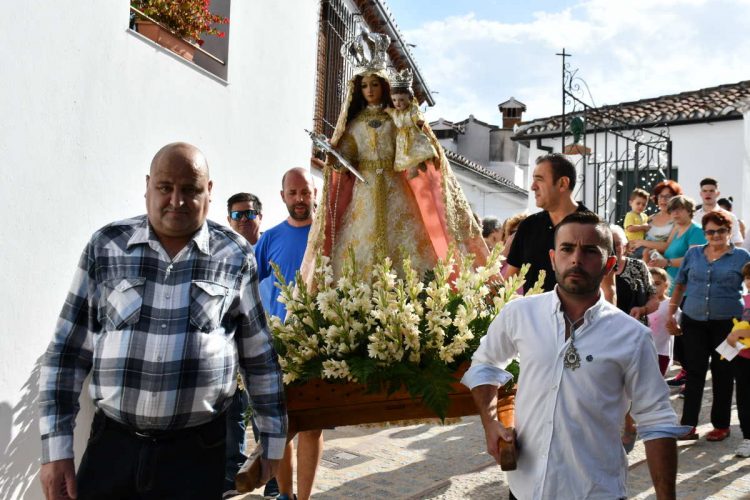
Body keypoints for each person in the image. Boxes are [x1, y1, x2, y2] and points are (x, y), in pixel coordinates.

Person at [38, 143, 286, 500]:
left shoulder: (234, 255)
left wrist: (272, 442)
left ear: (209, 192)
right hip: (112, 448)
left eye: (190, 189)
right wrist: (56, 450)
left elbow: (259, 357)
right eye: (165, 187)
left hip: (198, 454)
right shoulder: (107, 247)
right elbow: (66, 354)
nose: (176, 201)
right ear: (147, 186)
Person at [463, 211, 683, 500]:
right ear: (553, 258)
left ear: (610, 265)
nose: (576, 259)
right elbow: (485, 364)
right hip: (526, 488)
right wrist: (490, 422)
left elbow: (657, 421)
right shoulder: (520, 314)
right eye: (567, 249)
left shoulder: (631, 336)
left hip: (594, 491)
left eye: (590, 251)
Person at [300, 31, 487, 285]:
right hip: (363, 192)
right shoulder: (354, 125)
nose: (369, 91)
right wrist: (334, 156)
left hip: (396, 188)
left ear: (384, 86)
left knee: (405, 245)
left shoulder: (396, 118)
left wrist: (416, 154)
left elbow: (412, 142)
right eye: (364, 86)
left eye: (374, 84)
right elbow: (347, 154)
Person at [254, 167, 320, 500]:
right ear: (283, 197)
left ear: (315, 194)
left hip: (321, 345)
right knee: (278, 428)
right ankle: (284, 495)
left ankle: (304, 498)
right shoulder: (269, 239)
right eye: (293, 193)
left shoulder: (329, 234)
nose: (299, 199)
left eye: (305, 192)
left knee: (310, 427)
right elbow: (248, 287)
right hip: (279, 345)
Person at [667, 211, 750, 442]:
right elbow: (680, 284)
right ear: (704, 233)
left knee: (724, 374)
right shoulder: (693, 254)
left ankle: (721, 425)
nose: (716, 235)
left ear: (729, 231)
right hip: (693, 322)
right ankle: (688, 425)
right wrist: (671, 313)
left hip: (729, 326)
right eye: (710, 231)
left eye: (721, 231)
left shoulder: (741, 256)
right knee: (694, 372)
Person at [224, 192, 279, 499]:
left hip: (267, 343)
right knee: (234, 414)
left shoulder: (269, 248)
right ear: (228, 219)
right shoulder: (223, 253)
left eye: (249, 214)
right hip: (232, 345)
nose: (243, 220)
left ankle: (272, 479)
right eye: (237, 215)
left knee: (265, 414)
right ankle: (233, 476)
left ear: (260, 215)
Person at [504, 153, 590, 292]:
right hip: (532, 314)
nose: (533, 186)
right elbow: (509, 283)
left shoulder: (593, 228)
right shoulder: (528, 226)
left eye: (539, 180)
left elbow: (607, 288)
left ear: (562, 183)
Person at [385, 67, 437, 179]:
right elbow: (393, 114)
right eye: (394, 100)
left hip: (412, 135)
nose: (397, 103)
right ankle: (416, 166)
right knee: (406, 155)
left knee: (414, 152)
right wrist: (388, 110)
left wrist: (418, 126)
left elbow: (418, 119)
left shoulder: (412, 110)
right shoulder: (397, 113)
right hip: (402, 138)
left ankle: (416, 168)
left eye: (401, 100)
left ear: (410, 99)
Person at [726, 262, 750, 457]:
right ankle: (748, 437)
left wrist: (739, 332)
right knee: (743, 398)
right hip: (742, 356)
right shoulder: (745, 299)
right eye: (748, 277)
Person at [628, 180, 683, 259]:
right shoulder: (649, 219)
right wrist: (631, 245)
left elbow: (668, 247)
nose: (663, 199)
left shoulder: (677, 221)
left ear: (676, 198)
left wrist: (642, 242)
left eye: (668, 196)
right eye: (661, 196)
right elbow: (636, 237)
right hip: (643, 263)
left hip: (665, 265)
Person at [646, 267, 677, 376]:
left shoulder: (671, 304)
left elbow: (679, 326)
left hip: (662, 352)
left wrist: (676, 328)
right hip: (643, 350)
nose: (653, 287)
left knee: (657, 382)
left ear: (666, 285)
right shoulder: (642, 303)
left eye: (657, 283)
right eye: (650, 284)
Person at [692, 177, 743, 245]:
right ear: (701, 194)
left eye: (711, 191)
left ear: (717, 193)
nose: (708, 194)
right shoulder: (693, 217)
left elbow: (737, 242)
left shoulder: (729, 216)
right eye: (705, 191)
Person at [624, 188, 651, 258]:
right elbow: (630, 228)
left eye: (644, 205)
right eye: (638, 203)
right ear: (630, 203)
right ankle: (646, 268)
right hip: (633, 245)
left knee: (650, 252)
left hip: (641, 244)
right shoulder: (630, 215)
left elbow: (647, 226)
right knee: (647, 252)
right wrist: (643, 227)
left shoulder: (644, 216)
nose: (640, 206)